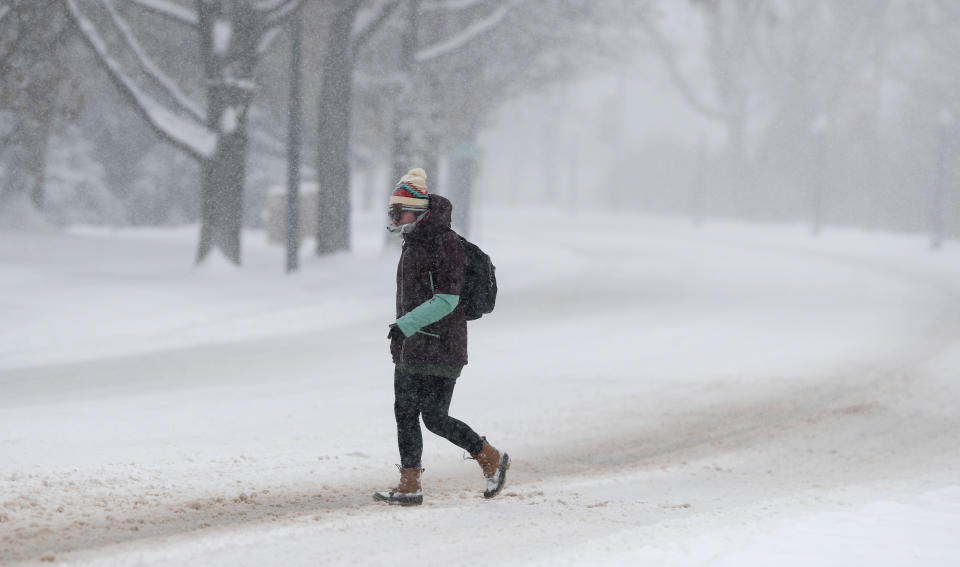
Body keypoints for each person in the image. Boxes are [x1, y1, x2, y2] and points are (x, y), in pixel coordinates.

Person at [374, 167, 509, 506]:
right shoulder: (413, 241)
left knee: (434, 417)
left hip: (441, 347)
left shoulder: (446, 244)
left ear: (418, 210)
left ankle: (489, 456)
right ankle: (410, 485)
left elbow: (447, 301)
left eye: (397, 210)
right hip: (411, 345)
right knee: (404, 412)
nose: (393, 216)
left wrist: (405, 325)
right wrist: (404, 333)